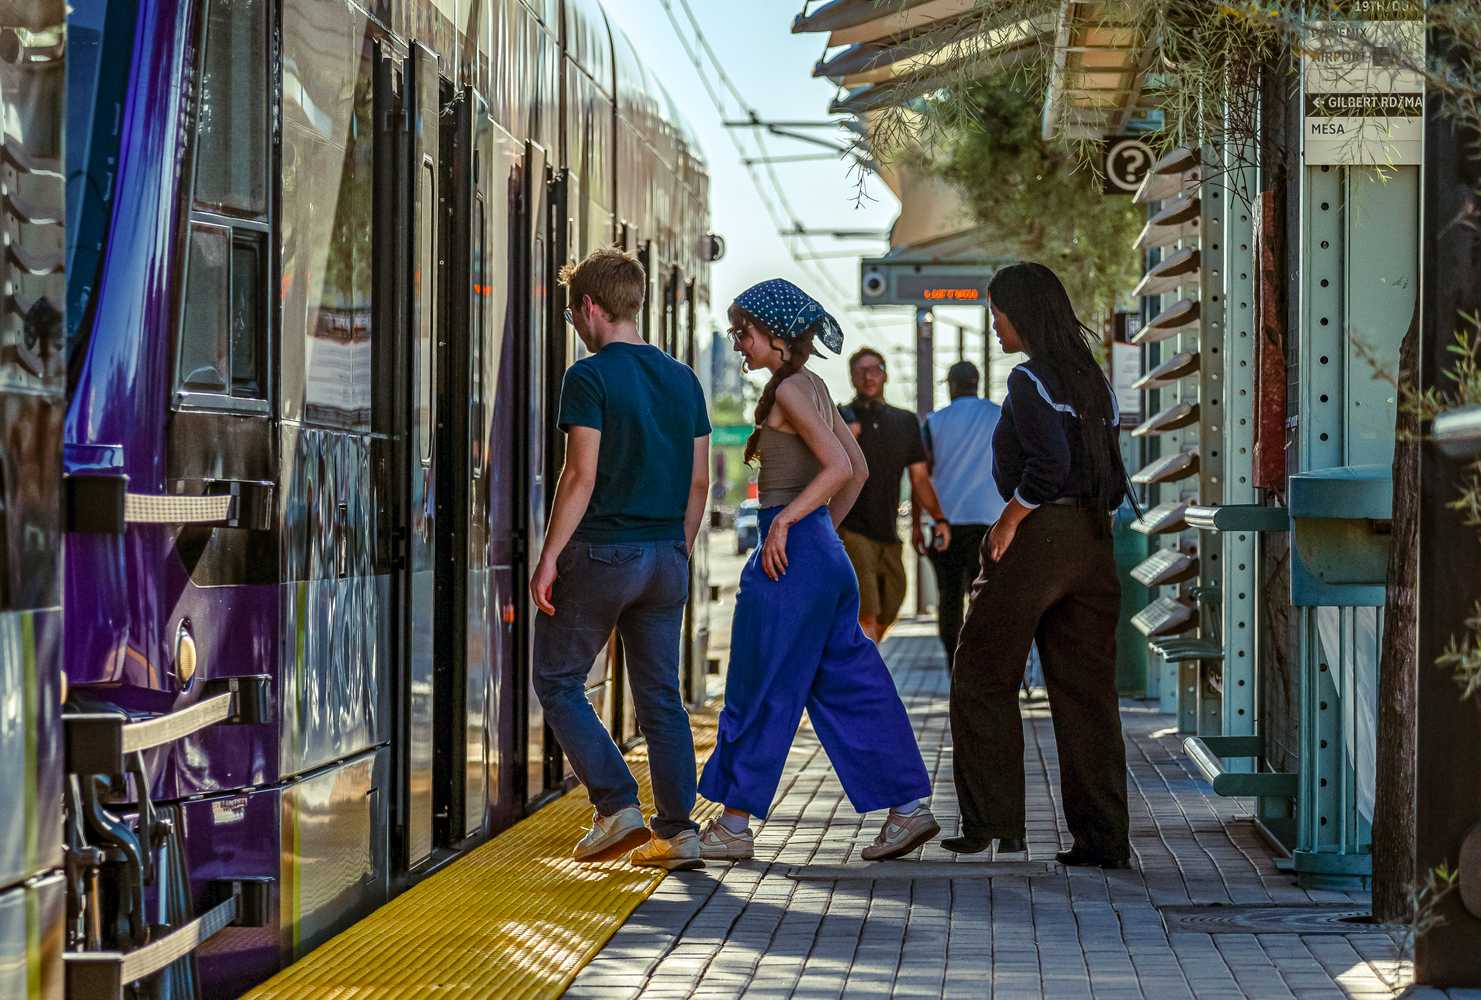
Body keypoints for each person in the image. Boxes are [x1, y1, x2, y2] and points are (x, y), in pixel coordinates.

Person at [697, 279, 938, 863]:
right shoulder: (813, 385)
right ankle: (907, 808)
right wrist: (822, 530)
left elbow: (836, 465)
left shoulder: (790, 392)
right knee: (852, 683)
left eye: (745, 333)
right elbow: (855, 469)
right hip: (823, 558)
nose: (739, 344)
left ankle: (732, 824)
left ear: (778, 338)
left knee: (759, 680)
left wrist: (788, 524)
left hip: (794, 558)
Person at [944, 261, 1134, 868]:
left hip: (1041, 537)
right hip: (1093, 542)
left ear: (1021, 314)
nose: (995, 326)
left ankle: (993, 824)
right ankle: (1102, 839)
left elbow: (1046, 467)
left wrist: (1007, 522)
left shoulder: (1029, 382)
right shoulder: (1091, 381)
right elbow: (1107, 472)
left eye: (997, 313)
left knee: (980, 672)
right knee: (1087, 696)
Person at [529, 246, 710, 871]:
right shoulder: (683, 378)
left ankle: (616, 806)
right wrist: (677, 548)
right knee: (661, 697)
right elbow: (699, 484)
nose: (576, 326)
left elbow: (580, 475)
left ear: (589, 307)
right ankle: (679, 833)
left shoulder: (590, 376)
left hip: (603, 551)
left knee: (557, 681)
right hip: (666, 554)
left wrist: (549, 556)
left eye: (574, 314)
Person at [839, 348, 951, 643]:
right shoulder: (840, 419)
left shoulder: (905, 422)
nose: (868, 376)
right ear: (852, 377)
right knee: (867, 615)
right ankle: (868, 683)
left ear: (884, 373)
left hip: (888, 533)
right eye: (860, 370)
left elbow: (919, 478)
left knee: (892, 602)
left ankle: (860, 666)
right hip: (851, 529)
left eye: (874, 369)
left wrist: (938, 518)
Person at [918, 360, 1003, 668]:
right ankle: (984, 662)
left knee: (949, 599)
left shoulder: (934, 422)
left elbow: (921, 474)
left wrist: (918, 524)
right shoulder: (1000, 415)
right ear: (976, 383)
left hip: (947, 524)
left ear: (951, 386)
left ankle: (953, 663)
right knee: (986, 599)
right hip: (991, 523)